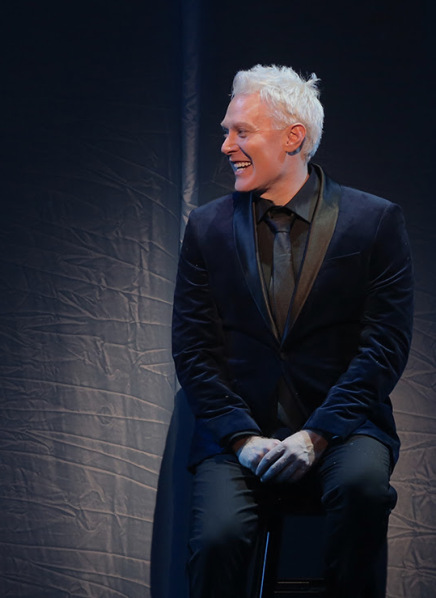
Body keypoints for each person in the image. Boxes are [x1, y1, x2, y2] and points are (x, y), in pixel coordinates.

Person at [171, 64, 413, 597]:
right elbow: (194, 350)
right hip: (238, 432)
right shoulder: (206, 228)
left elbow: (385, 345)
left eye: (242, 132)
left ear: (293, 137)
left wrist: (318, 433)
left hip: (344, 427)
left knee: (362, 490)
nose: (227, 145)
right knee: (215, 540)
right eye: (226, 131)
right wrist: (241, 438)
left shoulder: (372, 221)